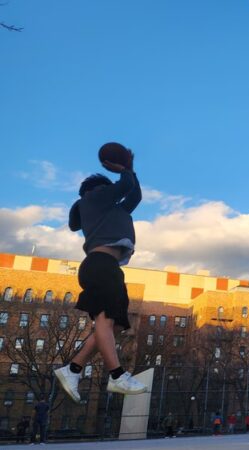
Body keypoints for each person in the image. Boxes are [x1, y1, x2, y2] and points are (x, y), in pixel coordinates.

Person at [54, 144, 147, 401]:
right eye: (107, 189)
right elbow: (124, 187)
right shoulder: (92, 199)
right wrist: (123, 170)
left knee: (115, 324)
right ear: (96, 191)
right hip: (100, 265)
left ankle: (73, 369)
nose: (111, 193)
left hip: (109, 269)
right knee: (105, 321)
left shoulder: (113, 210)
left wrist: (130, 170)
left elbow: (134, 195)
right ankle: (117, 375)